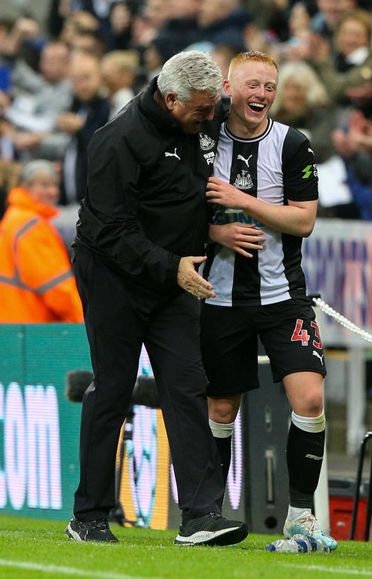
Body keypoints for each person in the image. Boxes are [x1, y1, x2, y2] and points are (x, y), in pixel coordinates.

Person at [67, 50, 248, 546]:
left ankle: (201, 516)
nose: (211, 118)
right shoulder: (118, 140)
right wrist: (173, 266)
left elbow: (182, 202)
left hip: (174, 279)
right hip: (112, 277)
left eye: (214, 107)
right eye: (201, 109)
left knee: (187, 387)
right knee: (114, 388)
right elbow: (107, 230)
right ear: (171, 99)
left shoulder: (200, 124)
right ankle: (90, 515)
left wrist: (211, 235)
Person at [199, 51, 336, 552]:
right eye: (252, 85)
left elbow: (304, 220)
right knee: (220, 405)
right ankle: (205, 512)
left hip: (284, 296)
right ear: (229, 88)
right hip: (219, 298)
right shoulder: (202, 141)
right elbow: (175, 211)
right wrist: (217, 231)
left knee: (311, 398)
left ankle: (301, 516)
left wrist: (244, 201)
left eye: (269, 87)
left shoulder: (293, 143)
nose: (261, 94)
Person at [0, 160, 83, 323]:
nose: (52, 191)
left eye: (55, 185)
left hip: (13, 325)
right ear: (25, 186)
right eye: (44, 185)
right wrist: (81, 320)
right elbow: (55, 285)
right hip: (31, 326)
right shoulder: (31, 226)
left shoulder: (14, 217)